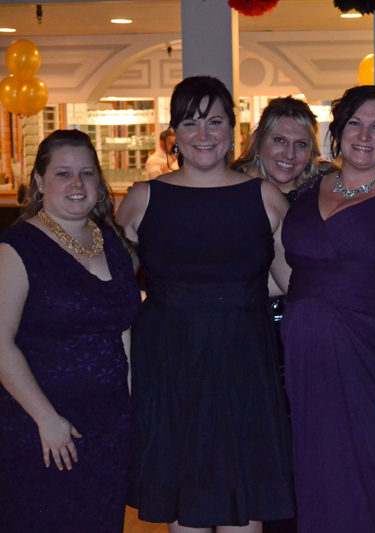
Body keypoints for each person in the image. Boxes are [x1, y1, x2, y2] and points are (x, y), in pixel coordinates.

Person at [117, 76, 294, 532]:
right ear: (174, 132)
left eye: (215, 121)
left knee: (244, 508)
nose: (203, 134)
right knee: (184, 510)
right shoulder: (142, 199)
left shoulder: (264, 197)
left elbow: (293, 283)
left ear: (233, 130)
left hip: (243, 365)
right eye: (191, 122)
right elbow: (114, 288)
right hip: (170, 366)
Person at [280, 85, 375, 532]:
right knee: (317, 481)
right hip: (308, 367)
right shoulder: (307, 191)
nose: (365, 135)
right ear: (338, 131)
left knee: (371, 479)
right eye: (355, 123)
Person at [0, 129, 140, 532]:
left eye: (87, 173)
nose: (77, 184)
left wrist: (130, 407)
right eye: (63, 173)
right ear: (40, 182)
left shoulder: (110, 241)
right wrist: (46, 419)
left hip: (109, 428)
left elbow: (122, 329)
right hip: (42, 428)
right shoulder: (17, 247)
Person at [232, 96, 320, 203]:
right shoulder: (231, 187)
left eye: (301, 144)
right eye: (279, 140)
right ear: (258, 140)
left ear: (311, 151)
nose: (290, 154)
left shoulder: (324, 190)